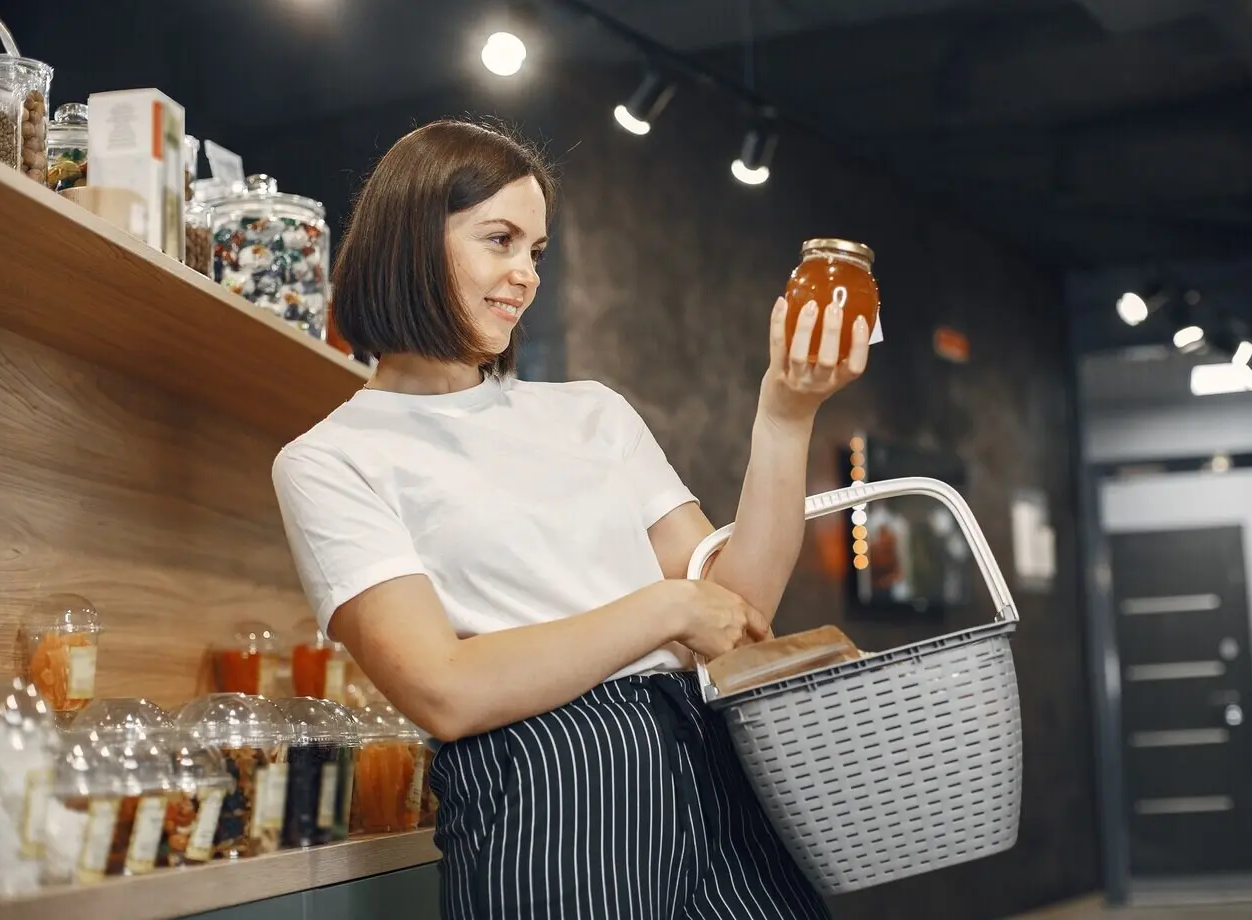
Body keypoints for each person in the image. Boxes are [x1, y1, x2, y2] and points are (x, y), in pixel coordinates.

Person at [271, 119, 870, 920]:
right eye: (500, 239)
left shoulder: (595, 414)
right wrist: (664, 608)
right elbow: (443, 689)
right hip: (548, 791)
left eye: (537, 252)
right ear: (411, 239)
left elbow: (737, 610)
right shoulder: (331, 459)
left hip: (709, 765)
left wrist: (786, 413)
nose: (524, 274)